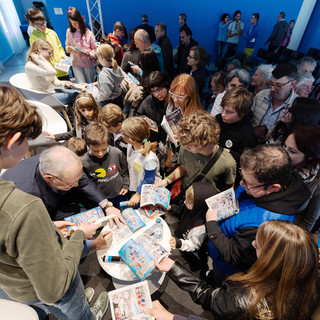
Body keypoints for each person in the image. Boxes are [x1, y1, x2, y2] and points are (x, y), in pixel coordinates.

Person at [0, 86, 110, 320]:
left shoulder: (47, 161)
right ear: (14, 139)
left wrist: (106, 204)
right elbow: (54, 288)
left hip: (14, 284)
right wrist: (80, 235)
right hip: (42, 285)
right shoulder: (25, 204)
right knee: (76, 311)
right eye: (28, 140)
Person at [147, 220, 320, 320]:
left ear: (271, 262)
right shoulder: (312, 278)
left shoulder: (244, 298)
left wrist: (172, 317)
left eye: (257, 246)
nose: (252, 244)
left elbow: (208, 296)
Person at [207, 144, 310, 284]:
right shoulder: (262, 182)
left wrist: (212, 226)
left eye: (248, 183)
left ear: (273, 188)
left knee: (219, 285)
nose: (242, 184)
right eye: (242, 177)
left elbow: (235, 256)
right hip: (221, 246)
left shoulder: (264, 226)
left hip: (229, 271)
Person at [1, 145, 124, 225]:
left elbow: (83, 182)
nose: (77, 185)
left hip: (57, 199)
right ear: (49, 178)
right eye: (72, 183)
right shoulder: (25, 197)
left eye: (78, 178)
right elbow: (29, 230)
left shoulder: (56, 160)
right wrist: (52, 227)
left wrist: (107, 206)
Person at [156, 113, 236, 194]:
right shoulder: (186, 147)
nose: (185, 147)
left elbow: (227, 190)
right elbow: (184, 167)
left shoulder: (227, 163)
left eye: (190, 145)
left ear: (205, 142)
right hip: (184, 193)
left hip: (203, 202)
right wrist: (165, 181)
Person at [82, 123, 129, 208]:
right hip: (102, 199)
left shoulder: (116, 152)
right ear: (88, 146)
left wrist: (126, 185)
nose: (100, 154)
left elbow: (124, 171)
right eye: (95, 151)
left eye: (104, 149)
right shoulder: (84, 162)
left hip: (120, 194)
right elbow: (87, 184)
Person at [283, 125, 320, 232]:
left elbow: (310, 218)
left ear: (310, 156)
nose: (284, 153)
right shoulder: (280, 162)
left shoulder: (316, 181)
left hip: (287, 229)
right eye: (284, 146)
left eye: (292, 151)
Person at [251, 63, 298, 143]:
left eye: (278, 85)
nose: (272, 89)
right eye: (271, 83)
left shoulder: (297, 105)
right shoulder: (261, 96)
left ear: (292, 84)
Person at [25, 38, 80, 105]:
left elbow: (55, 81)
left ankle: (70, 113)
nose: (50, 57)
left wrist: (65, 83)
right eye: (49, 53)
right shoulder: (29, 66)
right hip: (43, 98)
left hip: (52, 92)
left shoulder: (45, 63)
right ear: (40, 49)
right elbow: (52, 72)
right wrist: (39, 59)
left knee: (78, 92)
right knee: (77, 95)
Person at [120, 117, 161, 206]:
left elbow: (149, 179)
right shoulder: (130, 146)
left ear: (131, 139)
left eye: (122, 132)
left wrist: (138, 194)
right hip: (136, 186)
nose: (120, 134)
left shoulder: (149, 159)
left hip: (146, 191)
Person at [216, 87, 256, 164]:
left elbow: (244, 161)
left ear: (242, 113)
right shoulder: (218, 119)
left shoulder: (247, 134)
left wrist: (228, 152)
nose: (223, 114)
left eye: (229, 112)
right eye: (222, 109)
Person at [28, 8, 69, 79]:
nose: (43, 26)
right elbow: (36, 55)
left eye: (43, 23)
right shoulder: (33, 37)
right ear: (34, 25)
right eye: (38, 25)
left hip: (62, 68)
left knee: (67, 87)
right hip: (51, 71)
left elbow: (59, 47)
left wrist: (63, 55)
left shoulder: (52, 32)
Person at [137, 71, 170, 143]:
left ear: (166, 86)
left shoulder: (174, 101)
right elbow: (139, 115)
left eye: (159, 89)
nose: (157, 94)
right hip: (155, 139)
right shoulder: (149, 100)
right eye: (153, 91)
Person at [66, 7, 97, 83]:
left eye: (76, 23)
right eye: (72, 23)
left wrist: (88, 53)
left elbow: (95, 50)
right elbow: (67, 46)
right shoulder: (69, 32)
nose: (74, 25)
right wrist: (69, 48)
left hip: (87, 63)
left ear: (80, 20)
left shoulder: (89, 33)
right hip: (76, 62)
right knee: (81, 85)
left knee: (90, 85)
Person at [94, 43, 125, 107]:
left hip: (109, 104)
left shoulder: (103, 75)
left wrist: (96, 97)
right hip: (118, 99)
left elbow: (105, 95)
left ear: (101, 58)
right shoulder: (117, 67)